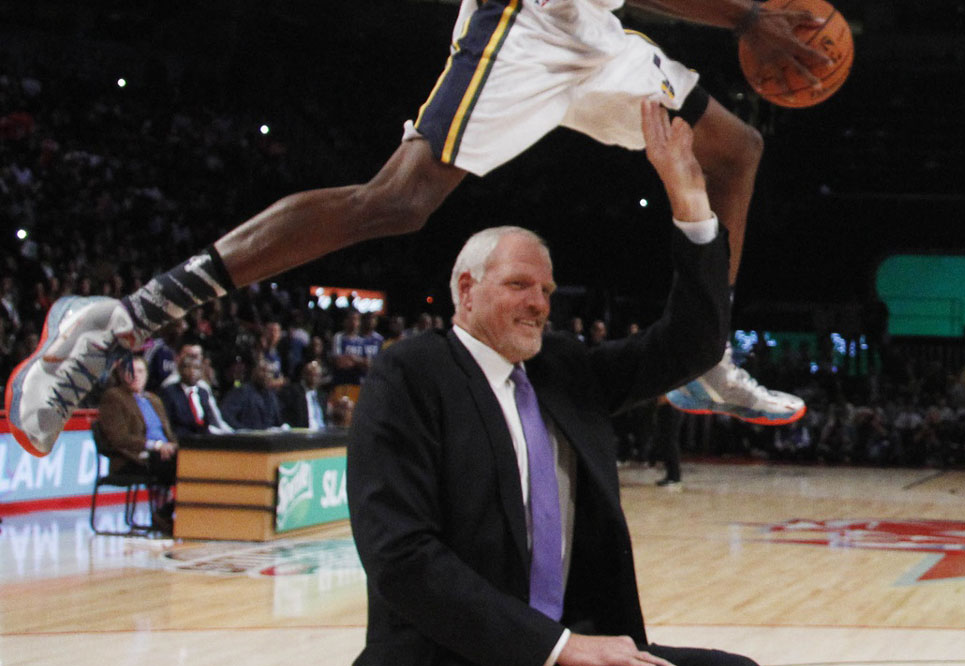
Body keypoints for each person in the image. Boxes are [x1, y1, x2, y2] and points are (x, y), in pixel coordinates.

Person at [4, 0, 823, 458]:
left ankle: (705, 353)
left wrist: (749, 16)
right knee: (397, 200)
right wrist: (748, 16)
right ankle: (114, 321)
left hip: (590, 33)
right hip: (526, 21)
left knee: (736, 148)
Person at [347, 102, 763, 666]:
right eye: (520, 285)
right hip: (456, 655)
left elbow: (690, 345)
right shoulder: (411, 375)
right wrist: (555, 647)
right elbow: (400, 557)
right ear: (465, 291)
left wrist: (692, 210)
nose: (539, 304)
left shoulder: (564, 370)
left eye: (546, 289)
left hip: (574, 642)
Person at [96, 355, 178, 533]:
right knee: (179, 466)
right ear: (121, 374)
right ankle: (163, 514)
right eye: (130, 371)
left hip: (164, 454)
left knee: (194, 463)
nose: (136, 376)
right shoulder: (114, 397)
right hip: (132, 459)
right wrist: (155, 446)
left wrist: (173, 446)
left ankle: (166, 511)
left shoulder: (154, 399)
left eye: (140, 371)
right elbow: (118, 438)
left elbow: (169, 434)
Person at [159, 356, 224, 435]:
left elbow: (208, 420)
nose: (192, 371)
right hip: (182, 438)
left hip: (204, 438)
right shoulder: (169, 392)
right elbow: (169, 422)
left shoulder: (203, 392)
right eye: (187, 367)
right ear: (179, 370)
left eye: (196, 368)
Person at [220, 358, 285, 430]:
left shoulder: (272, 397)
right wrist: (243, 431)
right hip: (248, 438)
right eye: (263, 371)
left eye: (269, 372)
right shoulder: (242, 392)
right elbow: (226, 415)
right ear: (254, 371)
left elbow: (278, 422)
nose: (266, 375)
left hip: (268, 438)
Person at [279, 360, 330, 430]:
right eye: (310, 374)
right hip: (302, 434)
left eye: (316, 375)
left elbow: (325, 419)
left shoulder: (322, 396)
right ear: (304, 375)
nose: (313, 378)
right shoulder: (292, 392)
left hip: (322, 434)